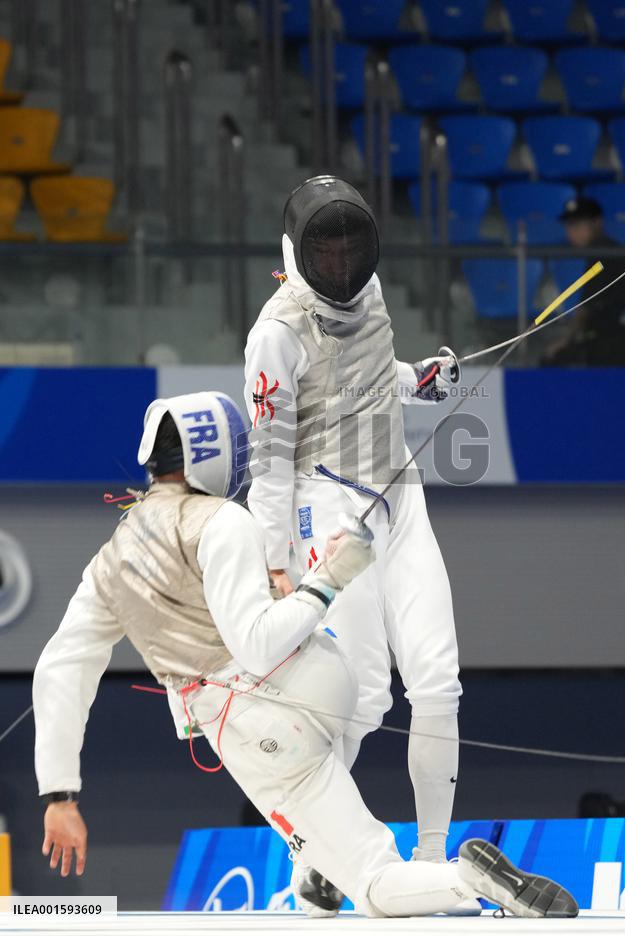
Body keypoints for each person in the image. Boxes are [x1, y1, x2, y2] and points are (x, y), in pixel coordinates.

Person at [32, 391, 578, 920]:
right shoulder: (225, 520)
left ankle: (464, 879)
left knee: (374, 884)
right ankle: (318, 868)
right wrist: (329, 577)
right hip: (323, 675)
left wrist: (60, 793)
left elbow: (63, 668)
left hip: (260, 722)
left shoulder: (113, 559)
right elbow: (267, 636)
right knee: (323, 818)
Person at [243, 176, 463, 900]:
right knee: (359, 695)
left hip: (402, 494)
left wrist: (421, 382)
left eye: (350, 246)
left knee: (437, 675)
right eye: (325, 249)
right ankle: (316, 860)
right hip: (329, 507)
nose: (340, 261)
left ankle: (430, 862)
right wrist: (276, 565)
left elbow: (368, 375)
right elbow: (269, 460)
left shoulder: (368, 294)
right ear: (297, 251)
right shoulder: (276, 334)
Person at [542, 197, 625, 367]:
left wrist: (566, 342)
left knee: (552, 361)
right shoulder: (610, 248)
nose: (571, 232)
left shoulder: (602, 251)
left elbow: (585, 308)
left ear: (597, 223)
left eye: (578, 224)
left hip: (619, 340)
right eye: (569, 225)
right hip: (624, 335)